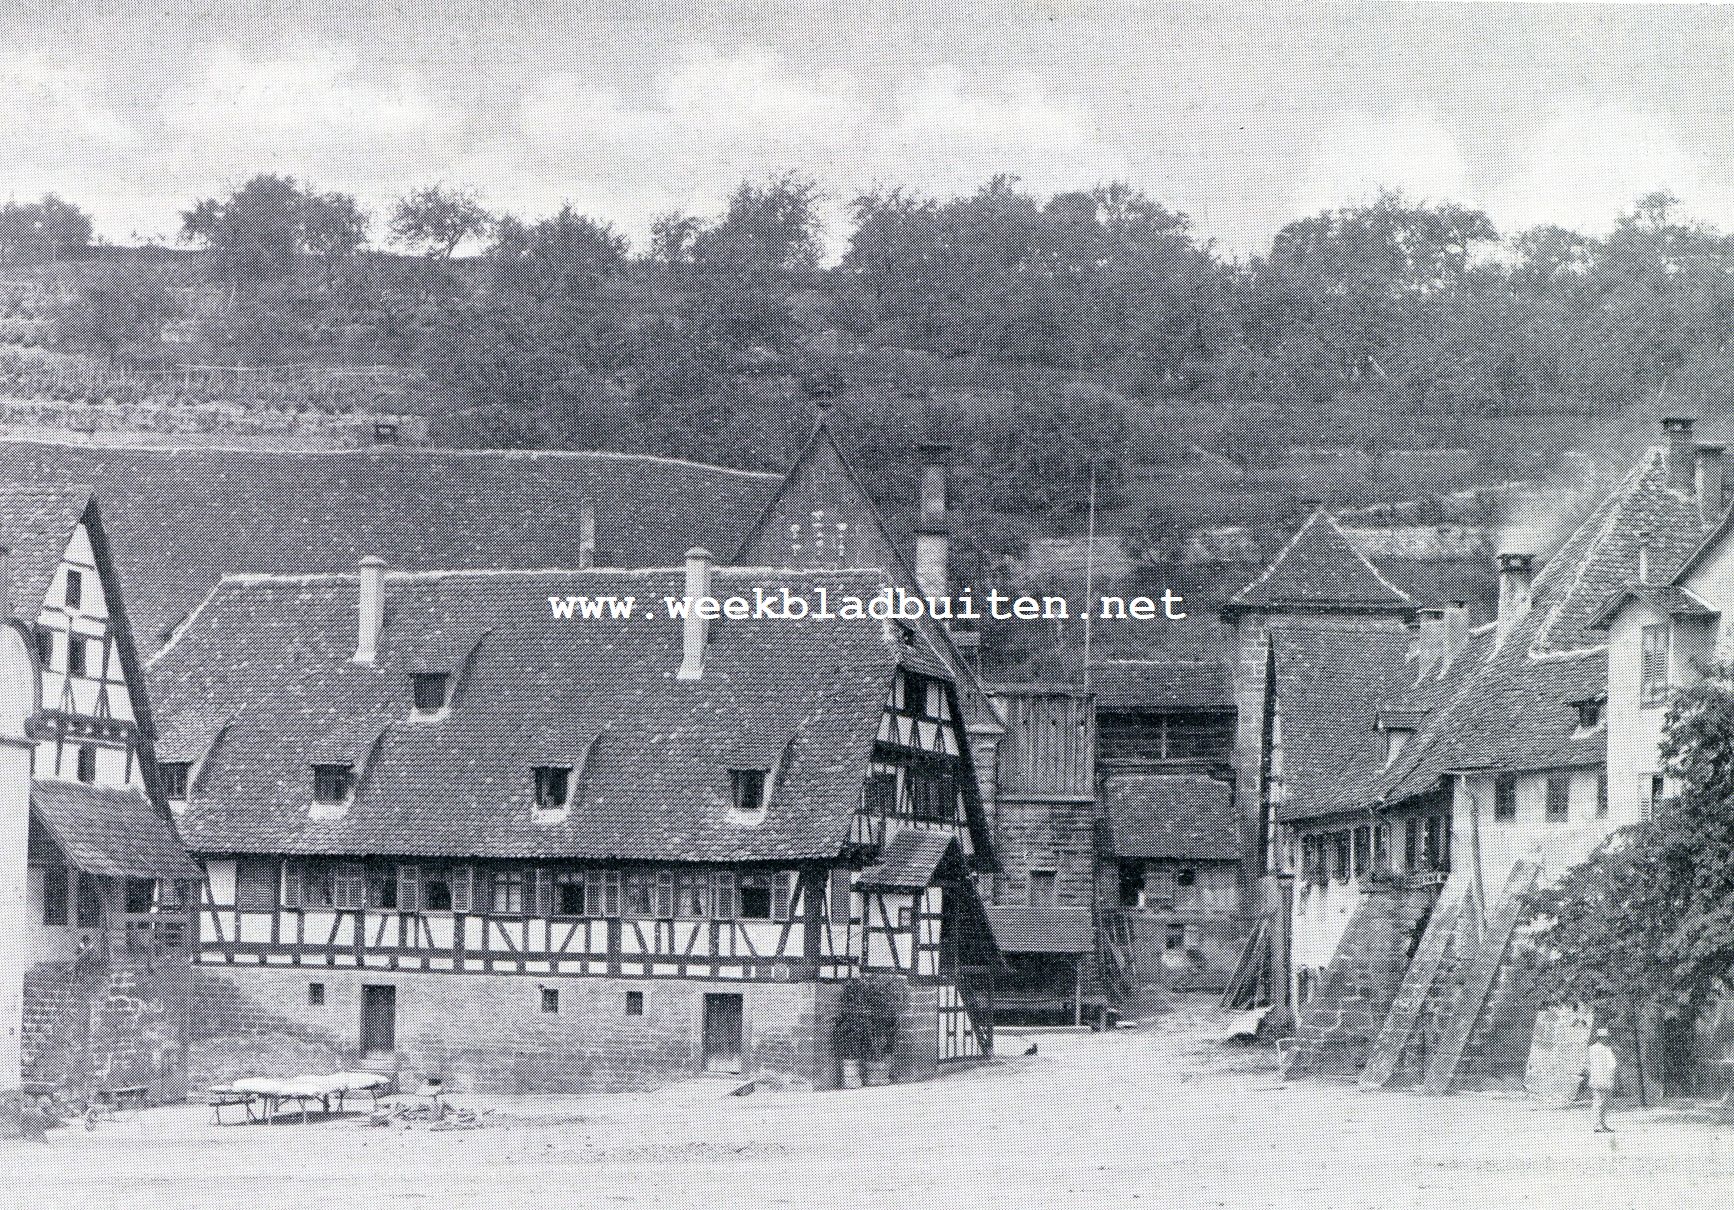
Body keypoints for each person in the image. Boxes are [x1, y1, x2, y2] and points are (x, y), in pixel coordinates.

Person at [1586, 1027, 1618, 1133]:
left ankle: (1599, 1124)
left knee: (1597, 1102)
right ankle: (1601, 1124)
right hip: (1605, 1078)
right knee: (1603, 1103)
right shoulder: (1606, 1049)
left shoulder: (1591, 1049)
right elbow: (1612, 1065)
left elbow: (1588, 1065)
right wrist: (1611, 1077)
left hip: (1595, 1079)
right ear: (1602, 1038)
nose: (1607, 1039)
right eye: (1606, 1037)